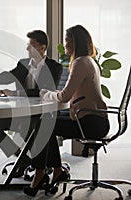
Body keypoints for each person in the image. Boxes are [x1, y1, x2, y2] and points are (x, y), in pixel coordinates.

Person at [22, 24, 110, 196]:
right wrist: (54, 94)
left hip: (90, 123)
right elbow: (66, 93)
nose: (65, 44)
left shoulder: (80, 63)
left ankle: (40, 173)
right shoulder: (87, 61)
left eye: (68, 40)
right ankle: (56, 170)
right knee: (47, 123)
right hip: (94, 120)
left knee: (44, 125)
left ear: (76, 43)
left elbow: (64, 97)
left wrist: (44, 93)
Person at [0, 30, 63, 177]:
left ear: (42, 48)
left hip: (41, 115)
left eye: (31, 45)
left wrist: (15, 94)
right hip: (21, 113)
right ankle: (22, 158)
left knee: (35, 128)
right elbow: (5, 77)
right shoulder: (23, 64)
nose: (27, 49)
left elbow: (45, 91)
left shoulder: (54, 67)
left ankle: (46, 168)